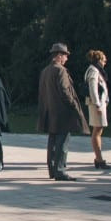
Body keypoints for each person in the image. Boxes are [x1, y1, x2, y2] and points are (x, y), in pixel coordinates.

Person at [37, 43, 89, 182]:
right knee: (62, 143)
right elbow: (65, 91)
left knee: (52, 142)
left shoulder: (45, 71)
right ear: (59, 56)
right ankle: (59, 170)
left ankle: (53, 170)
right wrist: (73, 105)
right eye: (65, 55)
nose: (66, 58)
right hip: (62, 112)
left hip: (50, 111)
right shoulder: (60, 70)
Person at [83, 50, 111, 169]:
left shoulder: (95, 69)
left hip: (99, 103)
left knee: (98, 130)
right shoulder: (94, 70)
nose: (105, 61)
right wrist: (98, 104)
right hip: (96, 105)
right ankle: (99, 159)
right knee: (97, 130)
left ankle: (99, 158)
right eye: (104, 59)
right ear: (99, 60)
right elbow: (93, 89)